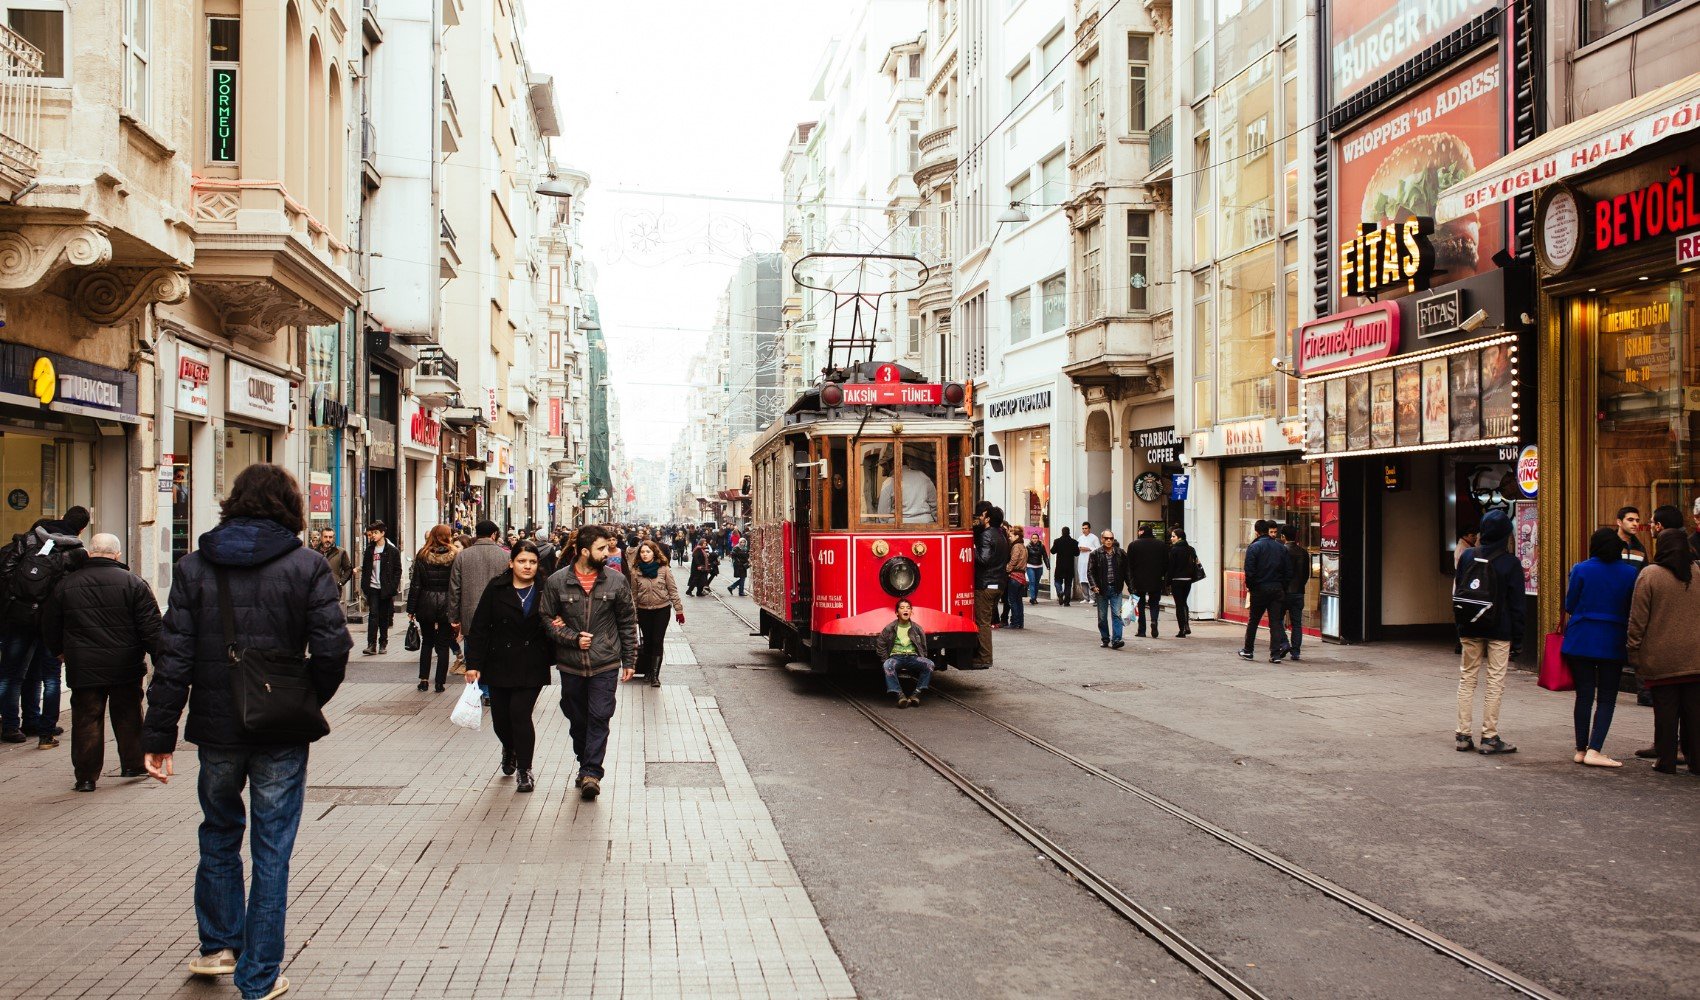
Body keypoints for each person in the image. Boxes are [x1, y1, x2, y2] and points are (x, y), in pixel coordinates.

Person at [142, 464, 350, 1000]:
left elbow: (174, 655)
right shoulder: (307, 565)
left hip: (216, 727)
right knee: (272, 847)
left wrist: (158, 735)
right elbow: (331, 649)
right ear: (291, 505)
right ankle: (257, 976)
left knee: (217, 831)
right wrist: (302, 700)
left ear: (232, 501)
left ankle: (218, 948)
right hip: (279, 729)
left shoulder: (194, 566)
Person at [39, 532, 161, 792]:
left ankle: (86, 777)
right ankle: (133, 764)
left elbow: (49, 624)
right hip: (125, 664)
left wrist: (59, 651)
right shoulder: (133, 583)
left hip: (83, 665)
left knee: (86, 719)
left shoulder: (66, 584)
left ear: (90, 553)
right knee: (128, 714)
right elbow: (151, 629)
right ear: (117, 555)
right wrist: (161, 659)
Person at [540, 525, 638, 800]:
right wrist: (571, 637)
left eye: (607, 548)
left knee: (599, 715)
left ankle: (592, 772)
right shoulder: (557, 582)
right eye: (601, 549)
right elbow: (546, 617)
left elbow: (628, 622)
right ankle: (585, 762)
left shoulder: (616, 581)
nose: (607, 553)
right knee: (576, 718)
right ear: (585, 552)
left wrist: (629, 658)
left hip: (604, 662)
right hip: (571, 663)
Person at [464, 541, 553, 793]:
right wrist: (473, 664)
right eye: (522, 561)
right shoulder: (496, 587)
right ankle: (510, 747)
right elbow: (480, 627)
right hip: (499, 662)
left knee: (520, 714)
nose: (527, 566)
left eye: (532, 562)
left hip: (532, 662)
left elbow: (558, 621)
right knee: (500, 720)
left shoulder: (545, 589)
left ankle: (525, 770)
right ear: (511, 563)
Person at [0, 505, 89, 745]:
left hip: (20, 616)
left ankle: (9, 726)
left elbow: (6, 569)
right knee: (47, 675)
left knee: (11, 673)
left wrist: (19, 600)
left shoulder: (30, 538)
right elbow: (76, 591)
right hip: (51, 621)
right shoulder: (77, 551)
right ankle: (40, 726)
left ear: (61, 518)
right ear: (82, 529)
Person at [1561, 528, 1641, 768]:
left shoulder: (1580, 569)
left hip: (1581, 637)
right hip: (1612, 639)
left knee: (1583, 695)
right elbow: (1632, 608)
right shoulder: (1630, 573)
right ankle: (1595, 749)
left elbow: (1570, 604)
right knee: (1607, 697)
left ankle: (1579, 748)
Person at [1627, 529, 1700, 775]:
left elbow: (1638, 618)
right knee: (1694, 713)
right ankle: (1696, 761)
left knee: (1666, 712)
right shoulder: (1698, 572)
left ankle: (1666, 760)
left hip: (1661, 658)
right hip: (1696, 657)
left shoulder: (1650, 575)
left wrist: (1633, 648)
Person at [1453, 508, 1524, 755]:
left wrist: (1460, 624)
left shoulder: (1468, 556)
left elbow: (1460, 588)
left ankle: (1462, 734)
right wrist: (1518, 637)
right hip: (1500, 628)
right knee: (1495, 681)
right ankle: (1489, 736)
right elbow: (1517, 604)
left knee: (1467, 677)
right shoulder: (1510, 563)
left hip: (1470, 625)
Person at [406, 524, 457, 692]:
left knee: (427, 642)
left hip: (426, 602)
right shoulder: (455, 555)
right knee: (443, 644)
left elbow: (415, 584)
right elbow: (457, 584)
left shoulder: (422, 555)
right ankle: (440, 682)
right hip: (447, 602)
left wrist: (411, 608)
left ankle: (424, 679)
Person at [628, 540, 685, 688]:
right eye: (642, 552)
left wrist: (679, 610)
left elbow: (672, 590)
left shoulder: (664, 569)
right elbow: (633, 594)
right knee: (647, 642)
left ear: (654, 552)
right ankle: (647, 671)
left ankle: (654, 676)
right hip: (643, 610)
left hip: (662, 609)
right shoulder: (636, 571)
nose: (645, 554)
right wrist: (633, 614)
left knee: (657, 641)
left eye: (648, 551)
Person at [449, 520, 510, 648]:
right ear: (494, 534)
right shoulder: (505, 557)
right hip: (498, 614)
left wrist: (454, 617)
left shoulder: (462, 556)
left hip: (470, 614)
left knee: (472, 655)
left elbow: (455, 589)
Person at [1239, 520, 1291, 663]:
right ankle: (1275, 654)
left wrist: (1252, 586)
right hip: (1276, 588)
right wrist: (1282, 586)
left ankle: (1248, 650)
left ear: (1256, 531)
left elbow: (1249, 571)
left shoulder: (1254, 547)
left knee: (1253, 621)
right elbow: (1288, 571)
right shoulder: (1281, 548)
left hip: (1259, 589)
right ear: (1268, 530)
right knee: (1275, 622)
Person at [875, 598, 934, 707]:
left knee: (929, 664)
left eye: (908, 608)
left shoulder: (917, 628)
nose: (905, 610)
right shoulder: (890, 628)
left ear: (911, 612)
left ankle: (916, 694)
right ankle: (900, 695)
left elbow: (923, 646)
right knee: (887, 665)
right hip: (896, 657)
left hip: (913, 657)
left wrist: (923, 657)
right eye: (902, 608)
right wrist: (886, 659)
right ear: (897, 612)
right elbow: (880, 644)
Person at [972, 504, 1010, 665]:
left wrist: (972, 548)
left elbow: (983, 559)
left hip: (986, 585)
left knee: (983, 623)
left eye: (983, 516)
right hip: (999, 584)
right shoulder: (1001, 535)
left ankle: (984, 657)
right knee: (985, 621)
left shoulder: (987, 535)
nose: (981, 518)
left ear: (988, 519)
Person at [358, 520, 401, 655]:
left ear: (383, 533)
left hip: (385, 588)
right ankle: (371, 644)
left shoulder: (392, 551)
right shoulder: (370, 550)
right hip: (372, 587)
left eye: (376, 533)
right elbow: (366, 569)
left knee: (384, 616)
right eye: (372, 533)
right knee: (373, 615)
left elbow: (397, 570)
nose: (373, 535)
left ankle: (383, 643)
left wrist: (392, 586)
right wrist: (365, 585)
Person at [1087, 529, 1128, 649]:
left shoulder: (1120, 553)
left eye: (1111, 538)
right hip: (1101, 589)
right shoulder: (1095, 554)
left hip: (1116, 588)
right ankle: (1105, 638)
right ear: (1102, 539)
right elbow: (1090, 572)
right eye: (1106, 538)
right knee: (1102, 616)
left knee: (1117, 614)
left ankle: (1116, 640)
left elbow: (1127, 571)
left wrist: (1131, 588)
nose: (1109, 541)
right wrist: (1094, 586)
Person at [1128, 525, 1168, 639]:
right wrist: (1161, 574)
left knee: (1140, 604)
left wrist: (1130, 579)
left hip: (1138, 579)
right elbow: (1166, 563)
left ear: (1141, 532)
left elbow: (1129, 564)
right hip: (1155, 579)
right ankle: (1154, 621)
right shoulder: (1161, 545)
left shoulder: (1133, 545)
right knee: (1154, 603)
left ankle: (1141, 630)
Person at [1279, 525, 1310, 661]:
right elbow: (1306, 574)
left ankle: (1284, 643)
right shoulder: (1303, 552)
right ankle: (1296, 651)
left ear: (1283, 537)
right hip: (1298, 592)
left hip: (1284, 592)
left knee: (1277, 620)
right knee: (1297, 623)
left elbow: (1279, 572)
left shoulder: (1281, 551)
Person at [311, 527, 354, 599]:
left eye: (330, 537)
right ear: (321, 538)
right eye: (325, 537)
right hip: (317, 591)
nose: (328, 539)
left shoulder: (341, 552)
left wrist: (340, 582)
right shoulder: (314, 553)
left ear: (333, 538)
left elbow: (349, 569)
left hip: (334, 591)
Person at [1001, 523, 1027, 629]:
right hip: (1022, 576)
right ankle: (1020, 622)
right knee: (1018, 601)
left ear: (1017, 536)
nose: (1010, 538)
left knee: (1012, 600)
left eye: (1011, 536)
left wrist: (1007, 568)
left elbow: (1014, 560)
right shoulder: (1023, 546)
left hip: (1015, 577)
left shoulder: (1016, 546)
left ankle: (1015, 622)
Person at [1049, 528, 1079, 607]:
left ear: (1062, 532)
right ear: (1069, 532)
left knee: (1057, 581)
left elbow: (1052, 551)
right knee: (1068, 584)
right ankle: (1067, 602)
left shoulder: (1057, 541)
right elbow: (1077, 553)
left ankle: (1059, 591)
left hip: (1060, 566)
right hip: (1069, 566)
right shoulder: (1074, 542)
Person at [1024, 529, 1049, 604]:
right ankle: (1033, 598)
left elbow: (1045, 556)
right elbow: (1025, 557)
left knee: (1037, 583)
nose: (1035, 539)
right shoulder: (1027, 547)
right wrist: (1024, 566)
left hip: (1039, 566)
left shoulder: (1042, 546)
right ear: (1031, 539)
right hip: (1030, 566)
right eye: (1033, 538)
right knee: (1032, 581)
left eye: (1036, 538)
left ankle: (1035, 597)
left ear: (1038, 539)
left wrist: (1048, 565)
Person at [1077, 521, 1098, 604]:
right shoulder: (1080, 538)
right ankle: (1086, 597)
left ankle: (1092, 598)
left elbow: (1097, 549)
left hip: (1090, 561)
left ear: (1089, 529)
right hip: (1081, 561)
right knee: (1082, 580)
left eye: (1085, 528)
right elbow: (1077, 548)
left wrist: (1088, 548)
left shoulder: (1094, 538)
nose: (1084, 530)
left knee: (1090, 579)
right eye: (1083, 528)